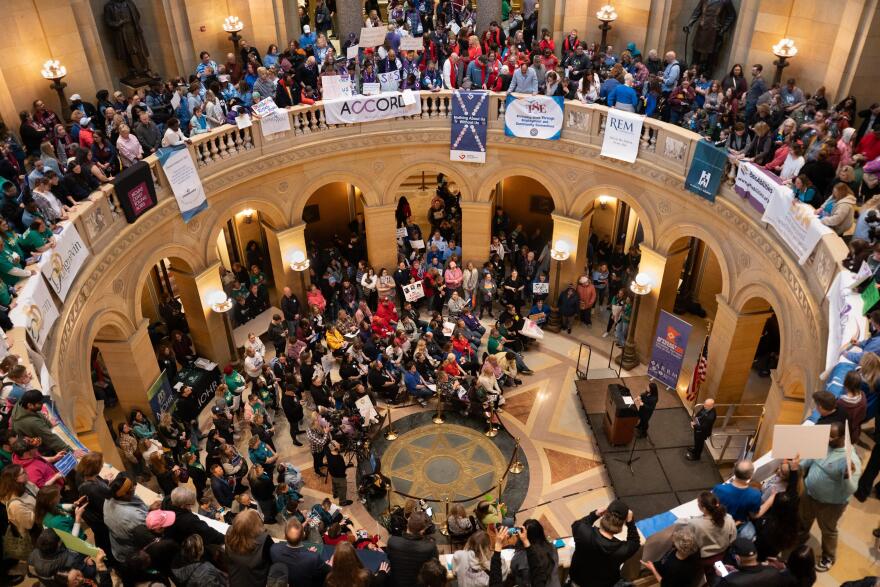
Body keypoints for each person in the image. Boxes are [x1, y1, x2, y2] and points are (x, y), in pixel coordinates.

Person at [797, 421, 861, 572]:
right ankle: (801, 538)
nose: (827, 439)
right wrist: (797, 464)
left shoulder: (850, 460)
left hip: (830, 504)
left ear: (843, 437)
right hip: (809, 494)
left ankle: (828, 556)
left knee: (828, 530)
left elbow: (852, 489)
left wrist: (846, 476)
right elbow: (808, 461)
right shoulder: (824, 444)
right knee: (803, 519)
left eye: (831, 437)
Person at [569, 499, 639, 587]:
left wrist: (595, 514)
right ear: (622, 524)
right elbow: (635, 542)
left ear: (605, 515)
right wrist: (630, 522)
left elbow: (577, 524)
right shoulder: (622, 550)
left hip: (577, 583)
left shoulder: (583, 533)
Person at [712, 459, 771, 538]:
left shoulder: (718, 488)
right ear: (751, 475)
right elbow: (754, 515)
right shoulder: (755, 495)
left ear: (734, 471)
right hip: (735, 526)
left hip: (717, 523)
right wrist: (772, 497)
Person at [103, 472, 149, 562]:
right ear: (125, 494)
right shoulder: (133, 515)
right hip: (131, 553)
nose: (134, 488)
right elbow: (148, 529)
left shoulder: (108, 499)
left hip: (118, 545)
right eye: (132, 487)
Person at [270, 518, 330, 586]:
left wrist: (307, 552)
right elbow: (327, 571)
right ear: (303, 535)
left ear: (285, 536)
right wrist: (329, 563)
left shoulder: (274, 548)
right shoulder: (314, 558)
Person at [386, 511, 438, 587]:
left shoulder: (392, 541)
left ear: (408, 523)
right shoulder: (430, 547)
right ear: (422, 530)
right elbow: (433, 568)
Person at [225, 509, 273, 587]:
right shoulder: (265, 540)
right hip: (256, 580)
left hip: (234, 579)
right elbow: (272, 559)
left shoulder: (229, 532)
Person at [715, 537, 791, 585]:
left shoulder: (729, 581)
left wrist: (722, 577)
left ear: (737, 558)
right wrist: (736, 573)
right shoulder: (773, 571)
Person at [326, 441, 352, 506]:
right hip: (340, 477)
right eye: (338, 445)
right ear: (335, 448)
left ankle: (335, 494)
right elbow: (342, 471)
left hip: (332, 474)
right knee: (342, 488)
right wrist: (345, 463)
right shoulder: (338, 459)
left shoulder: (329, 453)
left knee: (334, 484)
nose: (339, 445)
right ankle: (343, 502)